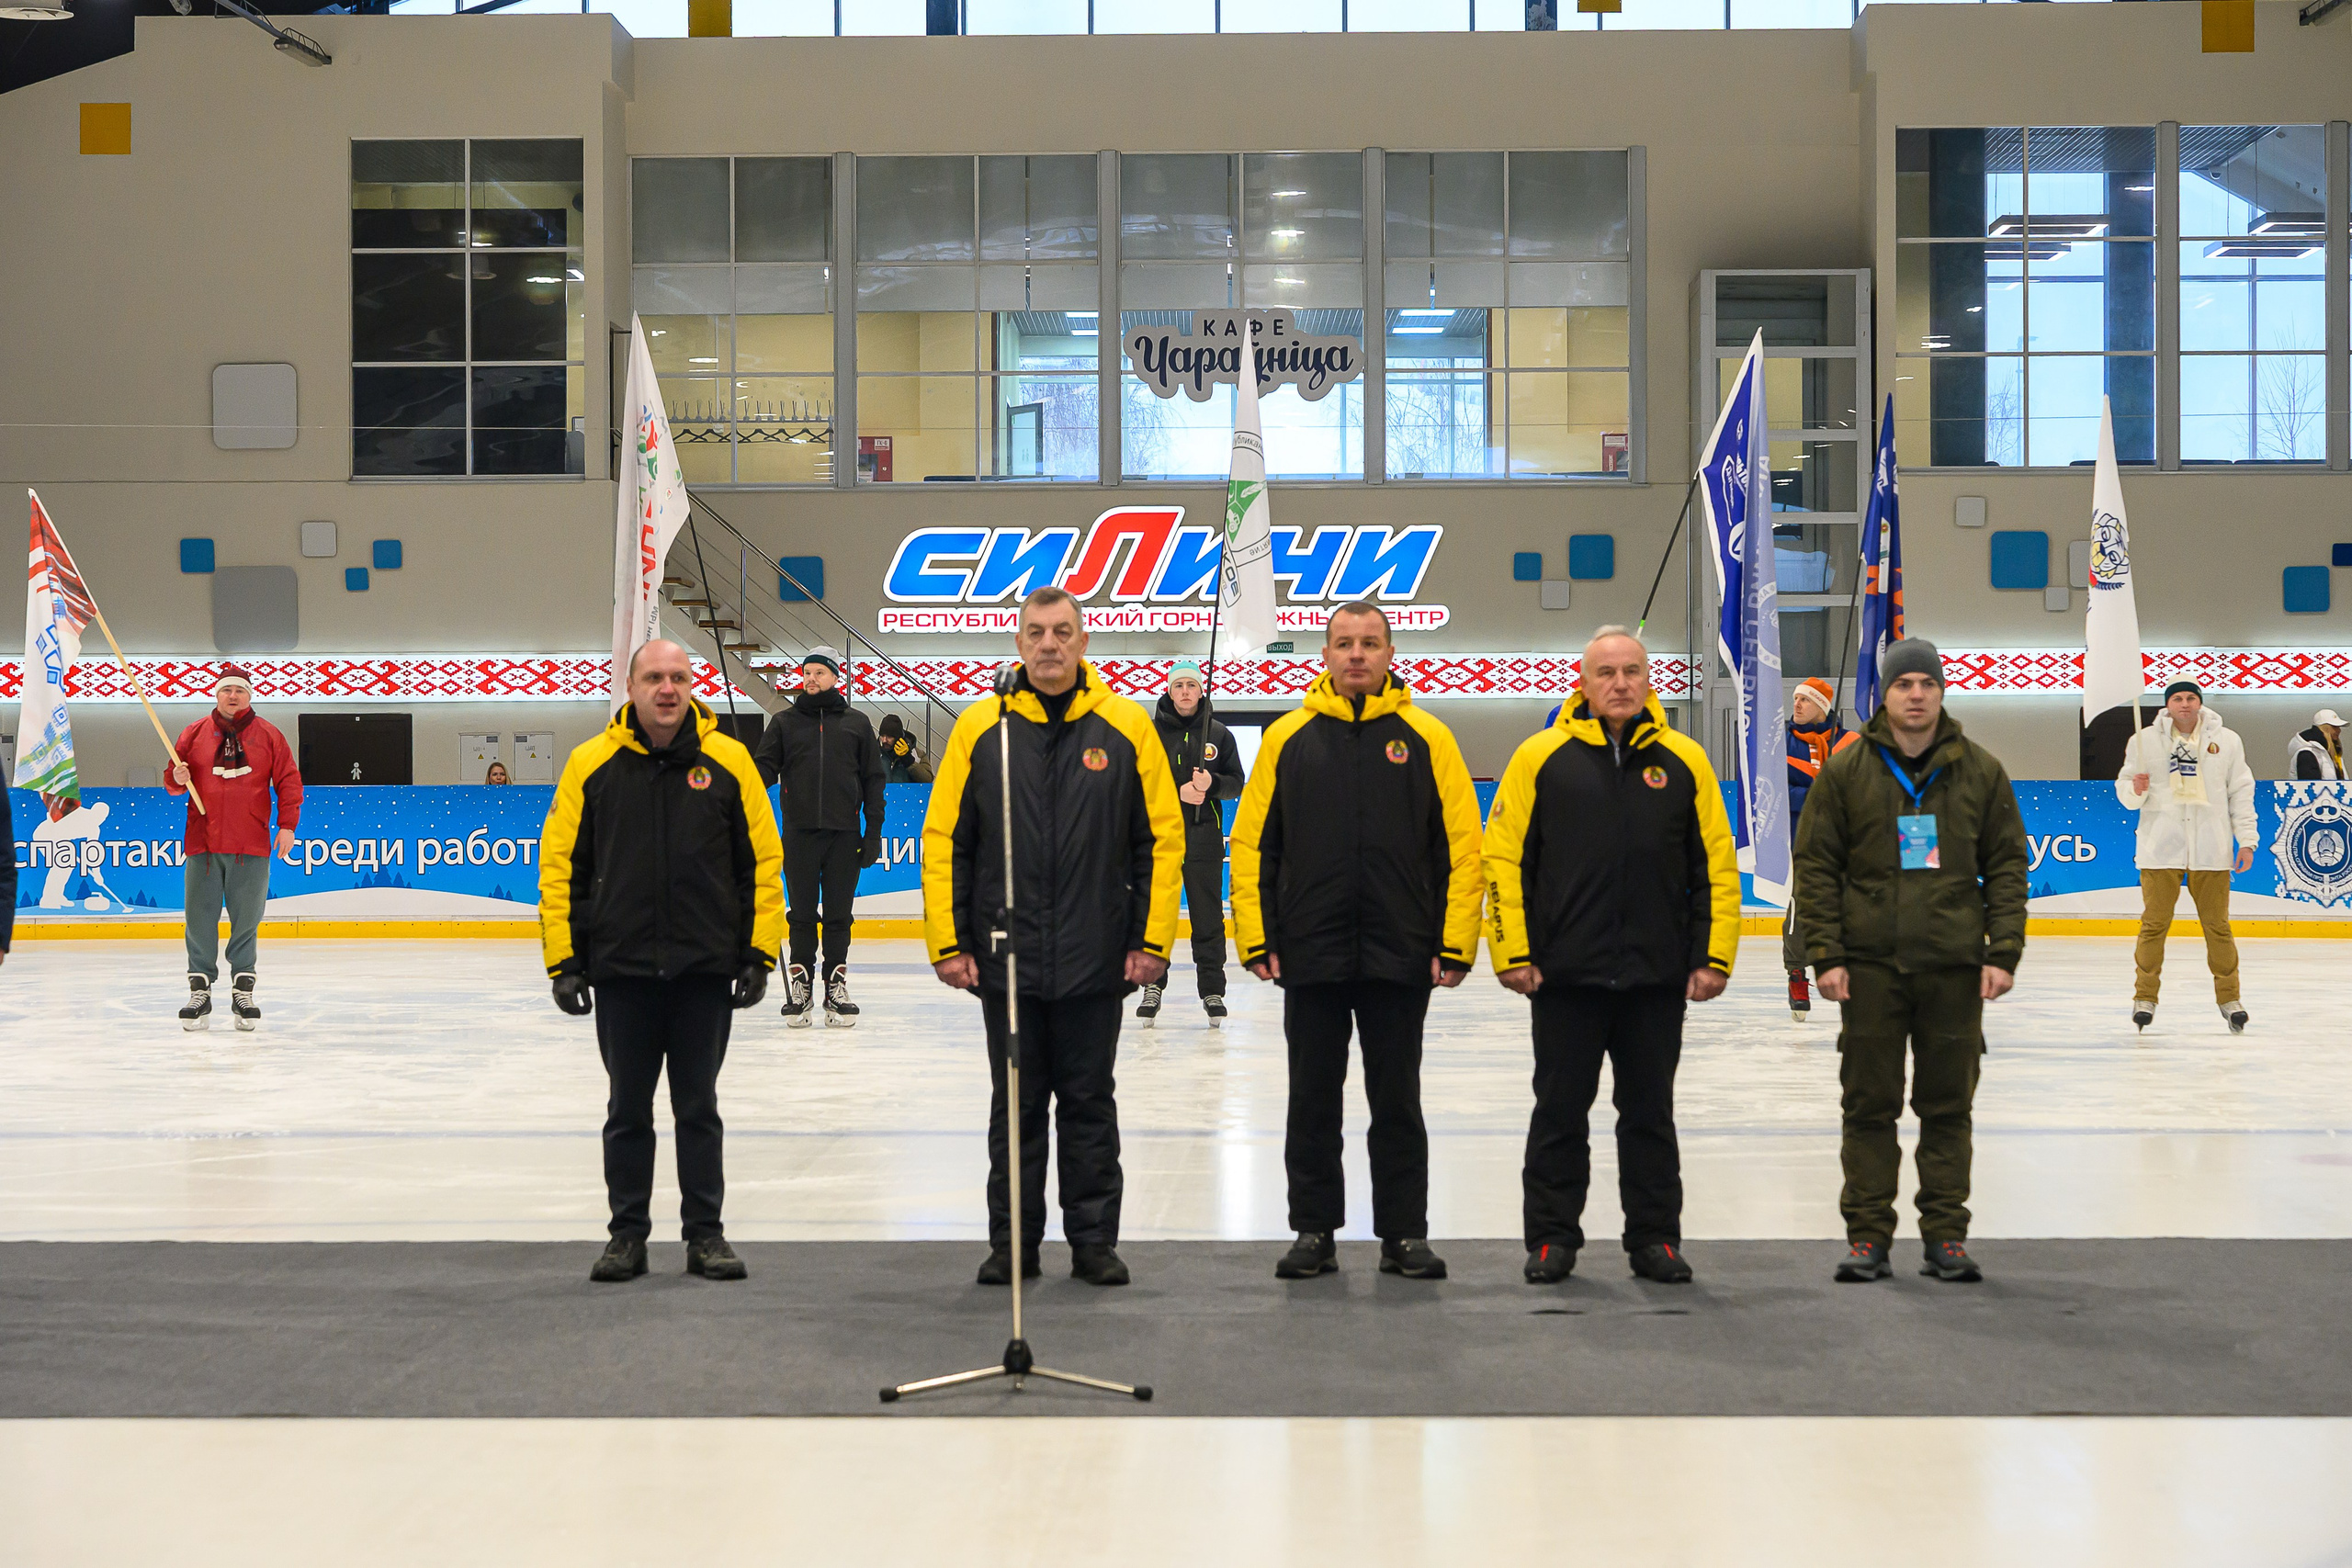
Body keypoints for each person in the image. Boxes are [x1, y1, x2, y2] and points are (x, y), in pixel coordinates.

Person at [922, 587, 1183, 1288]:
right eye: (1036, 632)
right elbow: (947, 839)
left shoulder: (1127, 727)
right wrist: (950, 942)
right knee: (1016, 1107)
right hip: (1005, 962)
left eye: (1062, 631)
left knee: (1090, 1101)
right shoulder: (983, 728)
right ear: (1017, 643)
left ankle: (1094, 1239)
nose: (1049, 644)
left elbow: (1158, 841)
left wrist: (1151, 941)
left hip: (1096, 960)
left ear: (1084, 641)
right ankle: (1013, 1244)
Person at [1230, 604, 1484, 1283]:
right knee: (1311, 1098)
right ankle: (1314, 1229)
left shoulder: (1428, 737)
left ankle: (1405, 1233)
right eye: (1345, 643)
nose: (1357, 655)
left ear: (1391, 652)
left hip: (1400, 954)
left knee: (1397, 1100)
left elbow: (1461, 848)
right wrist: (1257, 936)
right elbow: (1254, 844)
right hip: (1310, 953)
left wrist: (1455, 942)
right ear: (1325, 652)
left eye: (1370, 643)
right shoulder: (1289, 738)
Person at [1481, 626, 1739, 1287]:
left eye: (1631, 671)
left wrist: (1713, 955)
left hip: (1656, 979)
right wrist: (1511, 951)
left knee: (1650, 1114)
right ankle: (1550, 1239)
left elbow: (1713, 864)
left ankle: (1655, 1238)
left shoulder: (1684, 761)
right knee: (1559, 1111)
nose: (1620, 683)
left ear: (1650, 681)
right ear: (1584, 683)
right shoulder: (1540, 757)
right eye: (1607, 673)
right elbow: (1504, 860)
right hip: (1565, 977)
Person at [538, 639, 783, 1284]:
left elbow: (761, 862)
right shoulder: (592, 764)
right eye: (654, 677)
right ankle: (627, 1236)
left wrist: (759, 950)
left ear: (692, 684)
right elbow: (563, 865)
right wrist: (564, 960)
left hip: (704, 970)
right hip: (622, 971)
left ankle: (706, 1235)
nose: (667, 688)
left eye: (677, 677)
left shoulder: (729, 761)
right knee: (627, 1110)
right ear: (631, 685)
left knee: (698, 1107)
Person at [1793, 637, 2029, 1285]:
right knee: (1868, 1106)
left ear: (1942, 692)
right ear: (1885, 695)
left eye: (1927, 683)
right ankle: (1868, 1236)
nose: (1916, 694)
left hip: (1954, 967)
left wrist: (2002, 949)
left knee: (1947, 1107)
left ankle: (1945, 1235)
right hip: (1868, 967)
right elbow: (1815, 865)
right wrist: (1826, 954)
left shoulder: (1981, 771)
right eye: (1904, 684)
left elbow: (2008, 864)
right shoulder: (1847, 771)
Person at [753, 646, 886, 1029]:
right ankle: (801, 988)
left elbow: (873, 781)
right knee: (802, 915)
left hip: (845, 836)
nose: (811, 679)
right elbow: (764, 768)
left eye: (819, 673)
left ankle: (836, 987)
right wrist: (740, 779)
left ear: (835, 678)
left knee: (839, 916)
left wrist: (873, 832)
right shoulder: (784, 722)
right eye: (807, 673)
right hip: (799, 835)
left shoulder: (857, 724)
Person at [164, 666, 301, 1032]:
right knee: (199, 919)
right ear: (217, 694)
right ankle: (200, 991)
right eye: (227, 690)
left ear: (249, 695)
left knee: (247, 921)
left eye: (240, 690)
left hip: (250, 844)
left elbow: (288, 781)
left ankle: (243, 990)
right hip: (203, 844)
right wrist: (176, 778)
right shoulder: (194, 734)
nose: (233, 696)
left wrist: (287, 826)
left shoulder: (269, 735)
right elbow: (174, 780)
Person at [2118, 680, 2256, 1033]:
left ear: (2200, 703)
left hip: (2211, 848)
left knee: (2218, 927)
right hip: (2161, 847)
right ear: (2167, 705)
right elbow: (2126, 791)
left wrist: (2247, 840)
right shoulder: (2144, 741)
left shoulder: (2227, 741)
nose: (2184, 704)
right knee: (2153, 925)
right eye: (2177, 698)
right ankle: (2144, 997)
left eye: (2190, 697)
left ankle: (2230, 999)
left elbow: (2240, 791)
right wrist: (2134, 790)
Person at [1140, 659, 1245, 1028]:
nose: (1185, 691)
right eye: (1178, 685)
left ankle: (1212, 990)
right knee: (1158, 916)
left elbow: (1236, 781)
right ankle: (1153, 984)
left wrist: (1211, 786)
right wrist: (1177, 791)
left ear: (1202, 691)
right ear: (1168, 691)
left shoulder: (1218, 734)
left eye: (1191, 685)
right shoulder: (1149, 734)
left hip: (1204, 840)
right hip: (1160, 840)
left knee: (1207, 918)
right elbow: (1138, 784)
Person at [1783, 676, 1859, 1020]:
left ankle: (1846, 972)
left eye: (1805, 700)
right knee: (1801, 906)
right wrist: (1816, 795)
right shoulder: (1779, 744)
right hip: (1799, 839)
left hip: (1844, 841)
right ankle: (1797, 973)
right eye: (1796, 698)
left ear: (1823, 708)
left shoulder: (1851, 743)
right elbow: (1772, 791)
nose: (1797, 704)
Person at [876, 713, 935, 784]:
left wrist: (909, 761)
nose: (884, 740)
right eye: (882, 736)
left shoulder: (917, 754)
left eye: (889, 737)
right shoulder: (873, 754)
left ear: (898, 738)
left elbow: (927, 779)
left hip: (908, 794)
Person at [2290, 708, 2346, 781]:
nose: (2339, 730)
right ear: (2325, 728)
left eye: (2339, 727)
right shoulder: (2307, 754)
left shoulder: (2334, 754)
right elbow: (2310, 787)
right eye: (2334, 726)